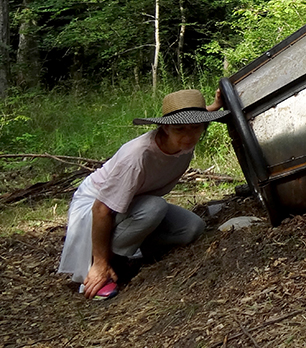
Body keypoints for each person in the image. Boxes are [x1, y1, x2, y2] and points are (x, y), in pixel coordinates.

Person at [58, 89, 229, 299]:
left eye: (195, 128)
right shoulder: (137, 156)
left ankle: (130, 253)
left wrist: (214, 106)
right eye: (180, 129)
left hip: (134, 201)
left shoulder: (184, 140)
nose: (188, 135)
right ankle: (108, 265)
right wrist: (100, 263)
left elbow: (194, 117)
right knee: (155, 208)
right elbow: (101, 209)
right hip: (96, 205)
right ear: (166, 128)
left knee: (191, 228)